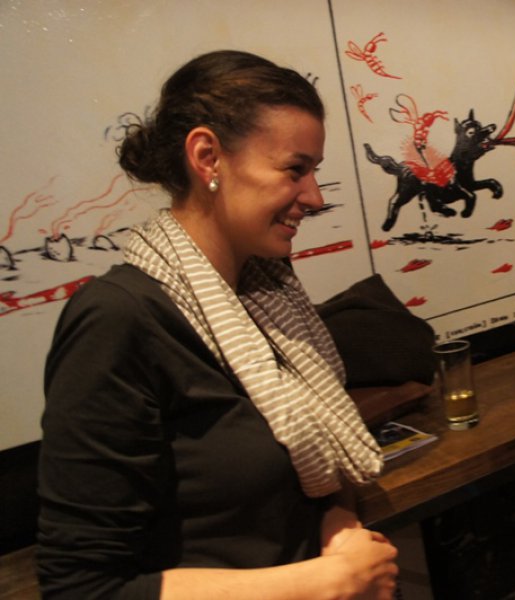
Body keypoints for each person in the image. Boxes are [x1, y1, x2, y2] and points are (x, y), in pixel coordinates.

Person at [38, 50, 398, 599]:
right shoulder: (117, 319)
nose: (314, 197)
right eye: (295, 169)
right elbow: (81, 589)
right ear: (208, 158)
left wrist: (335, 519)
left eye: (315, 172)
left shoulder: (267, 291)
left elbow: (311, 460)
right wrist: (327, 580)